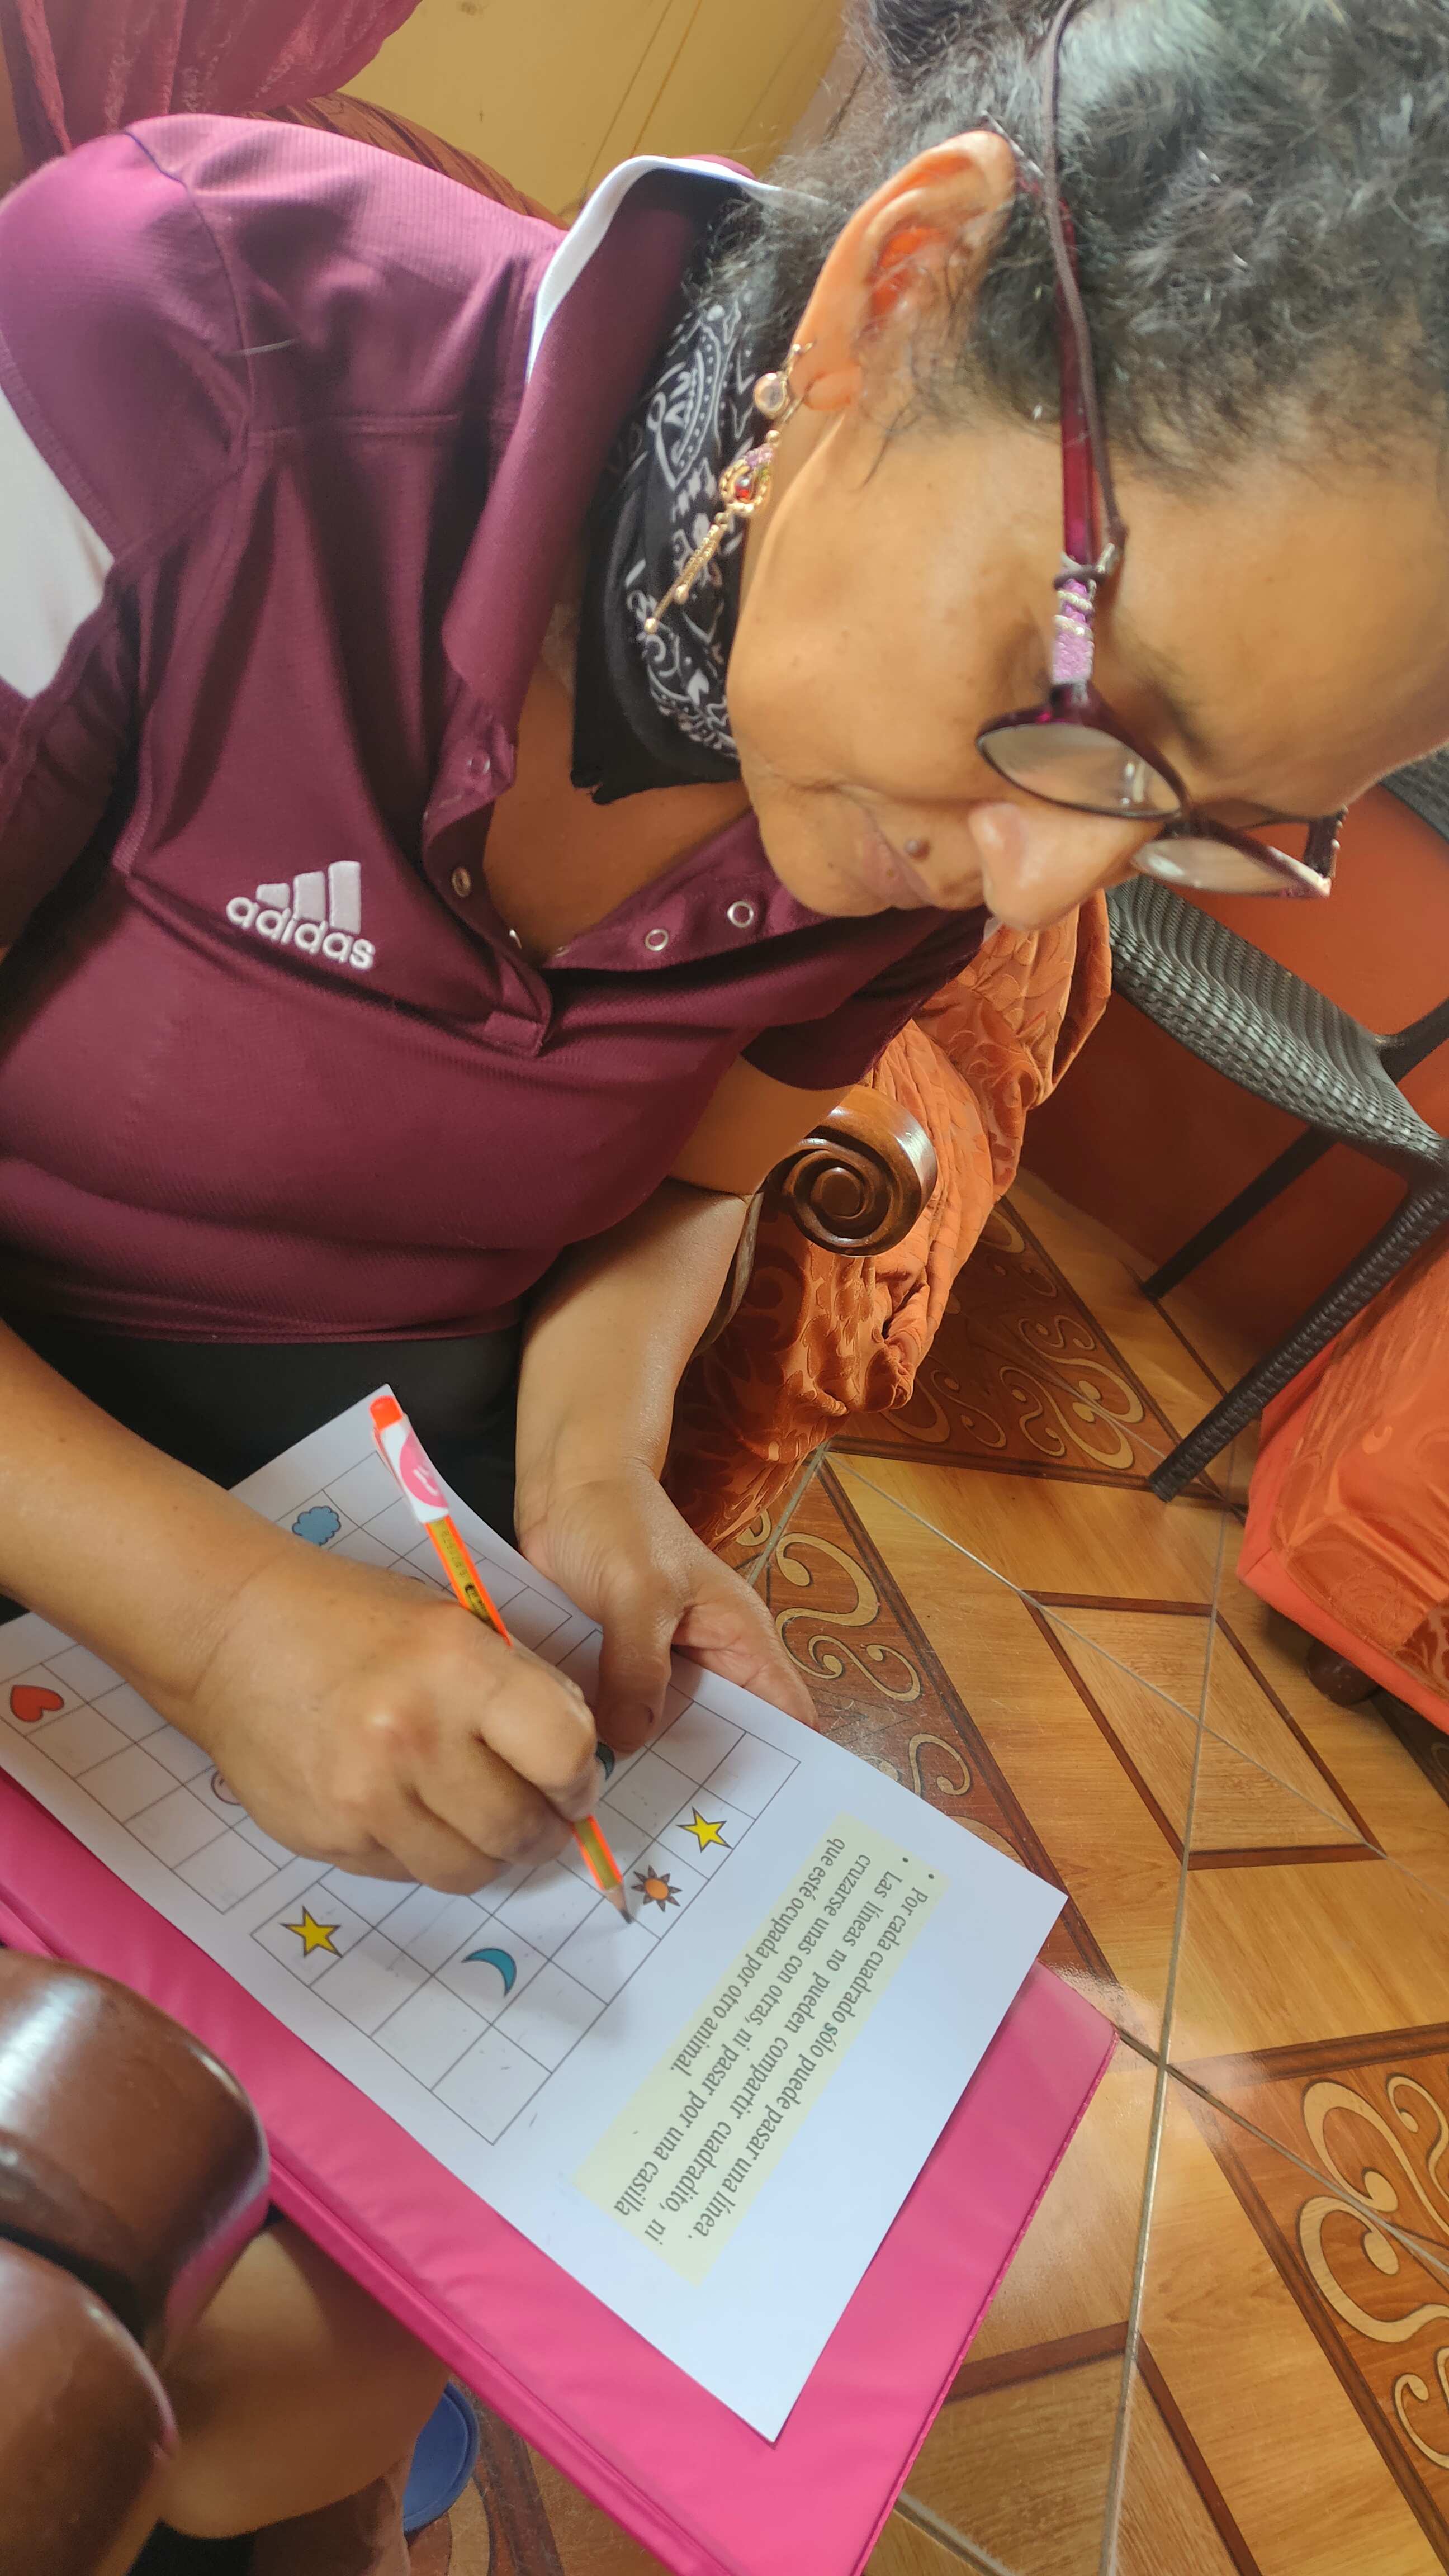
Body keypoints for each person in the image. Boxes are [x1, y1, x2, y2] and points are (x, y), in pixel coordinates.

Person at [4, 0, 1449, 2556]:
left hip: (380, 1524)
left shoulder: (902, 821)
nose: (1043, 883)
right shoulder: (166, 348)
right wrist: (219, 1625)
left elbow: (690, 1184)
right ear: (900, 288)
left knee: (288, 2369)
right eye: (1088, 714)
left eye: (1212, 828)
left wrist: (592, 1477)